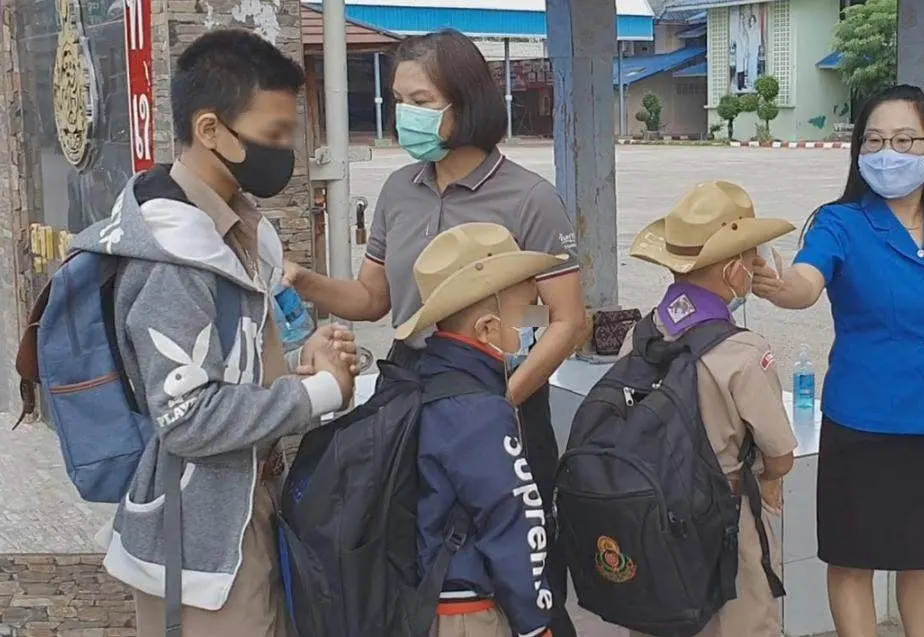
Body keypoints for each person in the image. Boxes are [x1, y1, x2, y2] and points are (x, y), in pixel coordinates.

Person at [285, 29, 585, 635]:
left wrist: (498, 402)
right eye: (399, 100)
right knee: (417, 548)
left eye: (420, 101)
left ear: (465, 101)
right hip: (412, 396)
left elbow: (569, 321)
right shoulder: (400, 190)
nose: (405, 115)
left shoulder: (530, 198)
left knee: (513, 544)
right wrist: (305, 280)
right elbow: (373, 299)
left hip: (499, 391)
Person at [75, 30, 357, 636]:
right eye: (274, 133)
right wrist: (317, 393)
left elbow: (241, 370)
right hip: (200, 540)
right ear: (210, 129)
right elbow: (186, 417)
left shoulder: (238, 230)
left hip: (247, 509)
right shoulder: (172, 255)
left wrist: (304, 364)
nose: (284, 150)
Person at [751, 85, 924, 637]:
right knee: (853, 560)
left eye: (904, 141)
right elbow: (806, 282)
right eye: (874, 141)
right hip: (862, 424)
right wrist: (780, 286)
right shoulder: (840, 222)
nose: (887, 154)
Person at [622, 181, 799, 637]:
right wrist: (769, 480)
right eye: (754, 260)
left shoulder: (639, 336)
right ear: (734, 270)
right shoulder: (743, 351)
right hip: (725, 517)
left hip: (650, 515)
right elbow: (780, 456)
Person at [394, 222, 566, 637]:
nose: (536, 322)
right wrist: (536, 622)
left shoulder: (423, 379)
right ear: (487, 329)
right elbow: (515, 521)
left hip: (430, 596)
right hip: (471, 612)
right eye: (527, 312)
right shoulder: (480, 411)